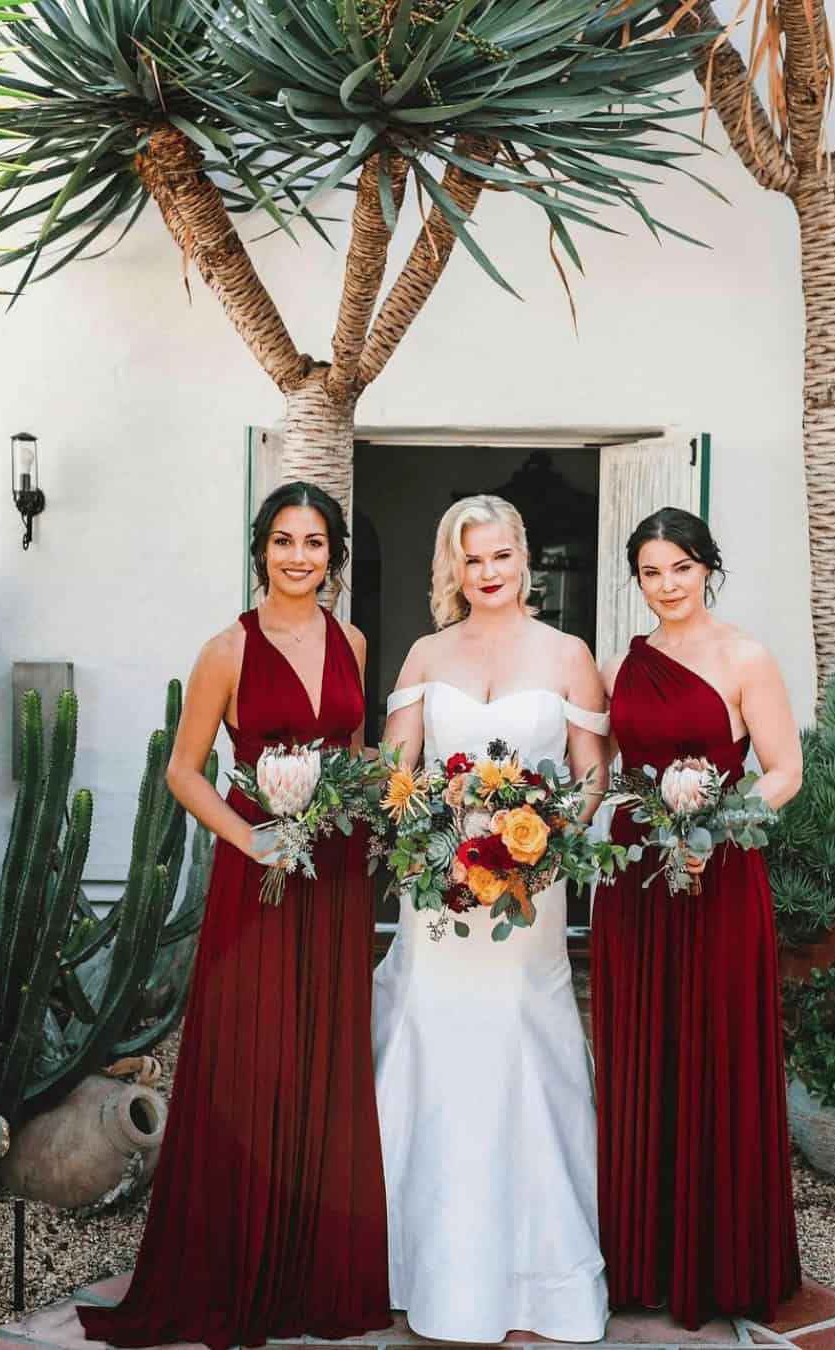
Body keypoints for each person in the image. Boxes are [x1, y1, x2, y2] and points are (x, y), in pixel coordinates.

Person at [78, 482, 391, 1349]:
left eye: (317, 542)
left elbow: (356, 754)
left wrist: (365, 826)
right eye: (285, 541)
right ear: (261, 550)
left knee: (324, 1053)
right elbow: (185, 770)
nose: (301, 557)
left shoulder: (352, 640)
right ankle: (242, 1263)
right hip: (258, 878)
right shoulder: (227, 649)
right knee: (253, 1060)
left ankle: (313, 1269)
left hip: (332, 876)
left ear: (334, 555)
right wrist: (249, 843)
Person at [373, 494, 610, 1343]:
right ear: (454, 567)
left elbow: (590, 777)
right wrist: (429, 838)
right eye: (472, 560)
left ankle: (535, 1277)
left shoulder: (568, 654)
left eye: (501, 555)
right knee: (434, 1046)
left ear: (523, 554)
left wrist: (543, 847)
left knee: (520, 1046)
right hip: (437, 900)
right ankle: (420, 1266)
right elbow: (394, 772)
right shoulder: (425, 653)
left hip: (528, 896)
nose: (489, 573)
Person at [593, 506, 802, 1330]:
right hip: (638, 879)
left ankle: (719, 1263)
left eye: (680, 567)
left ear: (707, 567)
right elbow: (601, 765)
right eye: (650, 572)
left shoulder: (745, 656)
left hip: (720, 875)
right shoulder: (624, 663)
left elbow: (784, 770)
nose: (667, 585)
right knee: (643, 1049)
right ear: (637, 580)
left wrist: (716, 829)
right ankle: (641, 1257)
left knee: (714, 1047)